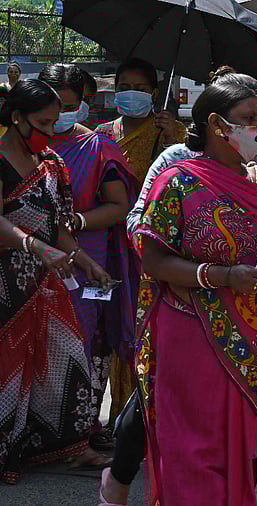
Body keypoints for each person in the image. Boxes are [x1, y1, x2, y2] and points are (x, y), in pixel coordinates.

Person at [104, 70, 257, 505]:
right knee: (193, 450)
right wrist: (220, 276)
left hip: (252, 331)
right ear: (219, 125)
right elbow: (154, 257)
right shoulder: (176, 180)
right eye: (250, 117)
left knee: (241, 441)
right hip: (189, 332)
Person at [0, 79, 115, 485]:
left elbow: (59, 227)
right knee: (8, 371)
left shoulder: (51, 163)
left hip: (47, 284)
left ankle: (70, 446)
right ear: (16, 119)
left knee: (65, 362)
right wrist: (35, 247)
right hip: (7, 283)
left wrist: (84, 262)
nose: (50, 133)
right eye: (42, 123)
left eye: (54, 123)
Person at [40, 64, 139, 449]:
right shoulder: (21, 147)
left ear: (83, 104)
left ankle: (78, 432)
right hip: (31, 259)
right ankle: (34, 432)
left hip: (87, 261)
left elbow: (120, 205)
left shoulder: (97, 148)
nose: (57, 116)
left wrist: (76, 220)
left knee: (85, 339)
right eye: (51, 107)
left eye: (68, 106)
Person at [95, 58, 187, 185]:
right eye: (124, 88)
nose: (131, 93)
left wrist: (170, 140)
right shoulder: (101, 133)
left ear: (154, 94)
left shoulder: (173, 129)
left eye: (140, 89)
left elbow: (183, 176)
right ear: (116, 90)